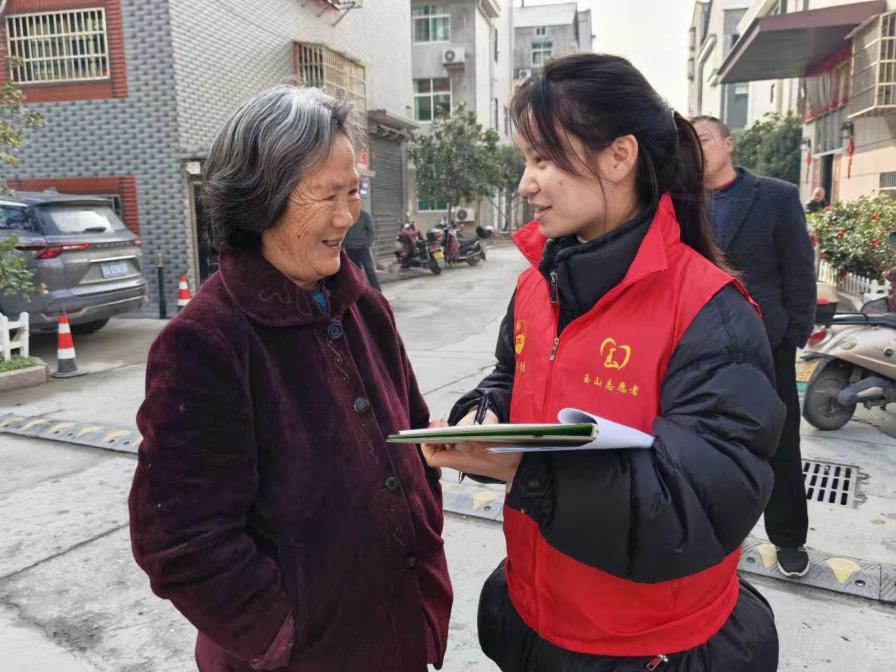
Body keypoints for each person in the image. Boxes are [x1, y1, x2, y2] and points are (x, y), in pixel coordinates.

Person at [423, 54, 786, 671]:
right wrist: (484, 415)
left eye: (543, 159)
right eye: (525, 161)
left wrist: (525, 470)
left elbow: (698, 507)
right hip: (537, 619)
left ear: (619, 157)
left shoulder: (709, 311)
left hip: (646, 647)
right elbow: (511, 373)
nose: (526, 184)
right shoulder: (536, 285)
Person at [128, 86, 452, 671]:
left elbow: (412, 437)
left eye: (353, 192)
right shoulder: (207, 342)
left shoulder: (365, 307)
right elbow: (177, 539)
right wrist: (284, 634)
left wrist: (421, 524)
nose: (346, 217)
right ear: (260, 201)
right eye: (326, 195)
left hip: (399, 635)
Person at [692, 115, 817, 578]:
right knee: (707, 442)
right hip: (703, 346)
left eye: (704, 139)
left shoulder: (776, 196)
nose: (696, 149)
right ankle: (713, 534)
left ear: (728, 142)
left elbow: (799, 269)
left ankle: (789, 538)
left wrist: (793, 335)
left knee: (781, 443)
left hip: (768, 343)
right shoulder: (679, 201)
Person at [344, 208, 382, 290]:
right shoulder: (346, 215)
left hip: (363, 248)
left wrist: (368, 243)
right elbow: (342, 230)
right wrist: (344, 244)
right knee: (354, 272)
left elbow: (371, 231)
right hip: (350, 248)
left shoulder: (364, 215)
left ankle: (378, 291)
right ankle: (359, 292)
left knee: (369, 270)